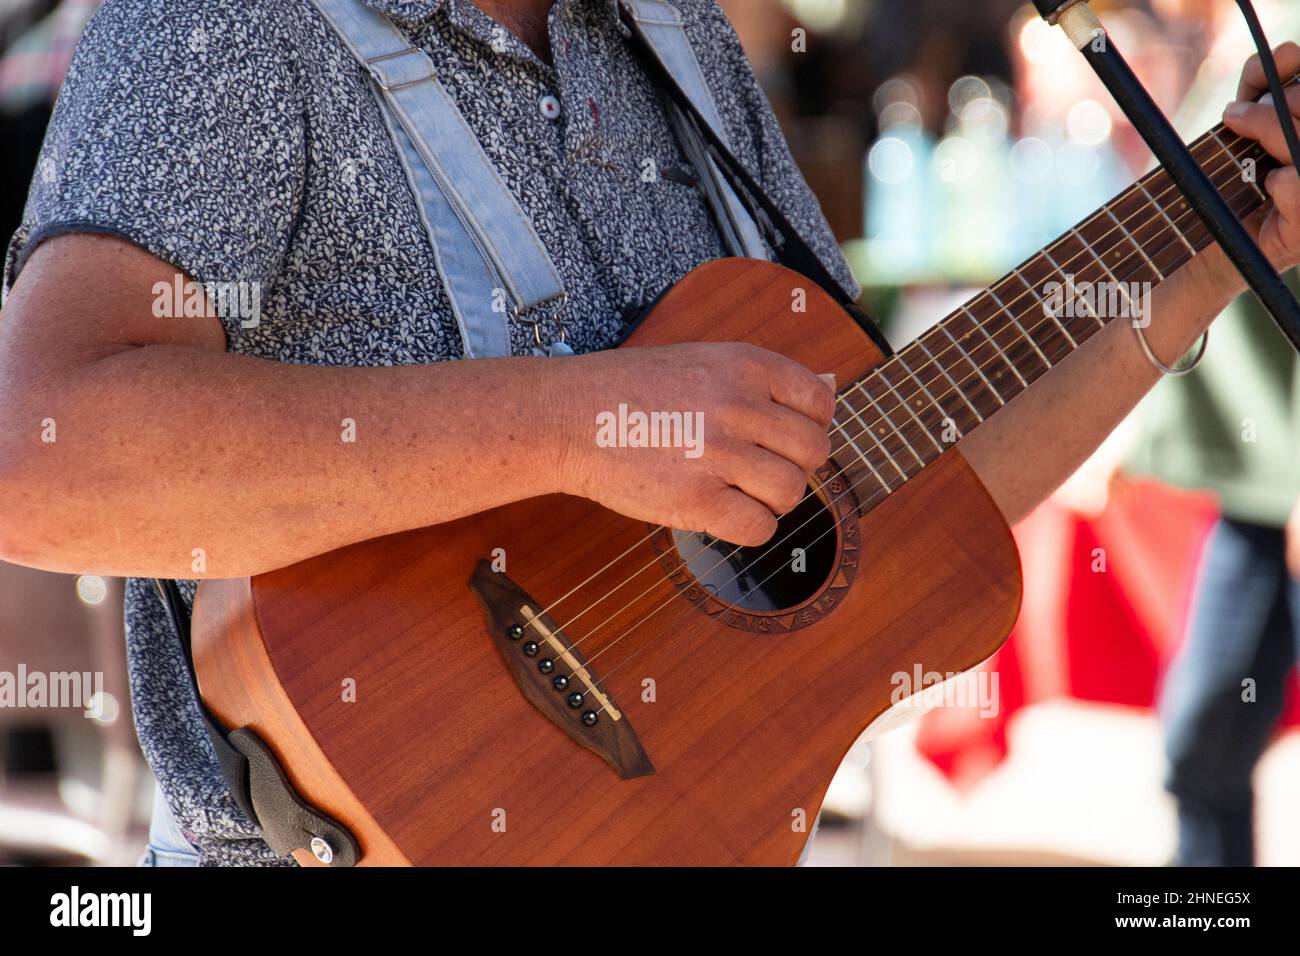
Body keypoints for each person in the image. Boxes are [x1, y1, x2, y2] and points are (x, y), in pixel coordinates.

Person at [0, 0, 1298, 866]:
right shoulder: (221, 25)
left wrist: (1211, 249)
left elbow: (867, 475)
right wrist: (581, 429)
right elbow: (45, 456)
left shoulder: (675, 36)